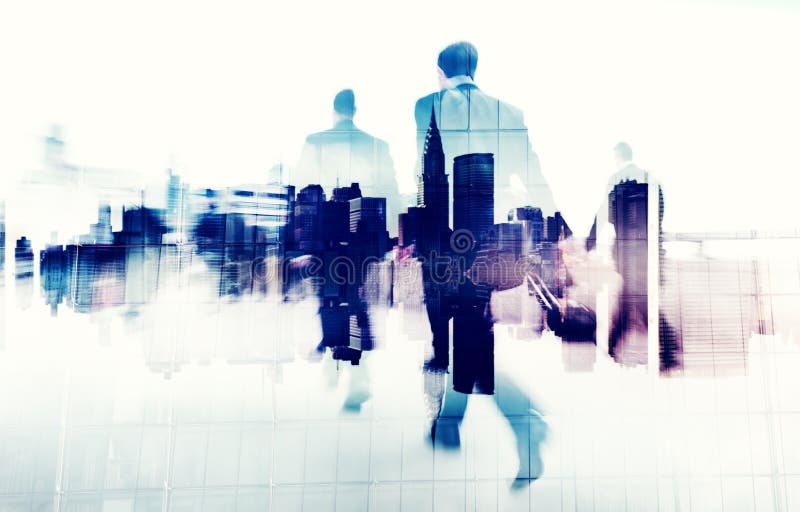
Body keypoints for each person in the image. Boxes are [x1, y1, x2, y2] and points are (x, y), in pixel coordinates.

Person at [414, 42, 557, 224]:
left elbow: (421, 166)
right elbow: (533, 175)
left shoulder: (427, 104)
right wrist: (555, 224)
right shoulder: (511, 112)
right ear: (474, 68)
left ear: (440, 72)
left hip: (445, 225)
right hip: (500, 223)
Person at [295, 89, 401, 234]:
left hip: (322, 229)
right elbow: (392, 192)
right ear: (354, 111)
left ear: (333, 111)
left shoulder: (314, 142)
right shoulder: (378, 146)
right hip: (366, 229)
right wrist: (397, 232)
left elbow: (301, 184)